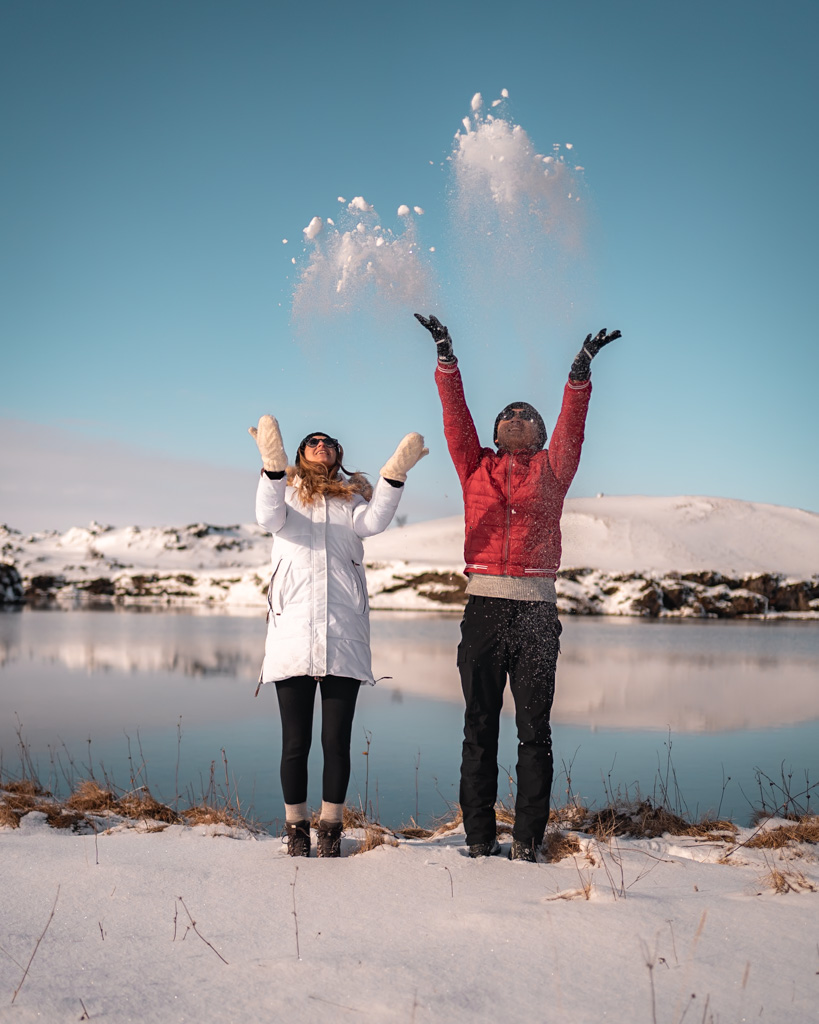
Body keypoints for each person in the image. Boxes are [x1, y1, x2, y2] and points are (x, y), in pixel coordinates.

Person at [414, 313, 620, 862]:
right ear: (496, 431)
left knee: (535, 732)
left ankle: (527, 842)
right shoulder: (474, 465)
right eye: (507, 415)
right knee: (478, 728)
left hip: (534, 614)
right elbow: (454, 418)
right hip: (482, 609)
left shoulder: (554, 470)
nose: (516, 418)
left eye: (526, 415)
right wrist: (445, 359)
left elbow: (573, 425)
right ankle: (479, 840)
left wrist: (579, 374)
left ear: (540, 432)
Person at [250, 415, 428, 857]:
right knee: (295, 742)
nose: (321, 444)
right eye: (312, 441)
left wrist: (392, 476)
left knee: (336, 741)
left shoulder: (352, 503)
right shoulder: (286, 494)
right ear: (297, 454)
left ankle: (329, 827)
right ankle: (295, 830)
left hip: (343, 633)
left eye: (329, 441)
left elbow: (377, 522)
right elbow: (266, 515)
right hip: (292, 631)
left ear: (338, 455)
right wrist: (273, 469)